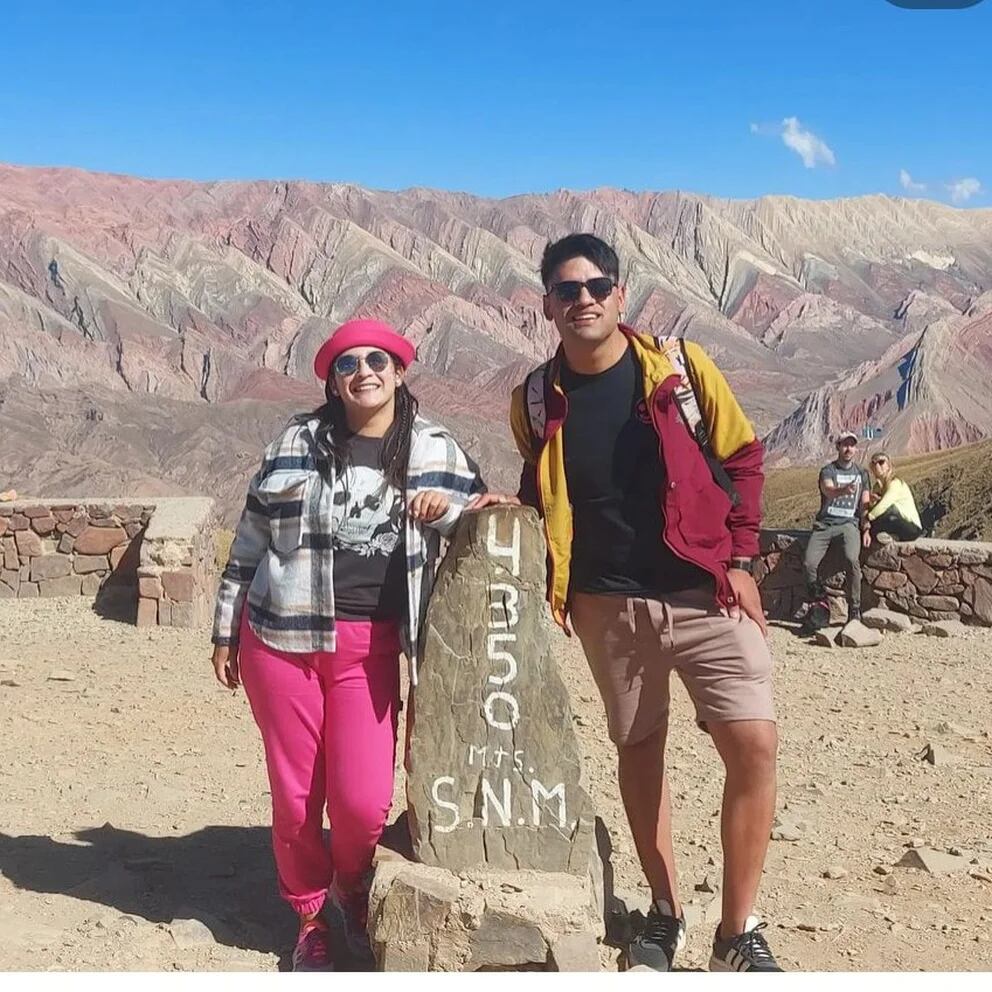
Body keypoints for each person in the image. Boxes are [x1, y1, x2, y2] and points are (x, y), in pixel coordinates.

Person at [508, 234, 781, 973]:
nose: (584, 299)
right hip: (608, 605)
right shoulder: (534, 399)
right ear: (547, 306)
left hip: (705, 593)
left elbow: (745, 457)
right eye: (568, 290)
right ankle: (664, 912)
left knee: (753, 745)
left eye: (597, 285)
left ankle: (737, 929)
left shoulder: (681, 369)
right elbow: (542, 484)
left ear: (621, 295)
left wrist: (744, 559)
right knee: (639, 750)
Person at [211, 319, 494, 971]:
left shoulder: (433, 447)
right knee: (295, 794)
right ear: (333, 382)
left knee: (364, 801)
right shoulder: (296, 441)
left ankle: (353, 888)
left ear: (399, 371)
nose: (363, 370)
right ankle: (311, 916)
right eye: (347, 364)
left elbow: (483, 520)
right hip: (280, 637)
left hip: (371, 646)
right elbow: (250, 537)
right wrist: (226, 628)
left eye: (377, 360)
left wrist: (446, 511)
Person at [803, 433, 871, 622]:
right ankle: (819, 604)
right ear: (838, 447)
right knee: (809, 563)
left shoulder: (862, 473)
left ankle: (855, 608)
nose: (848, 449)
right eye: (844, 445)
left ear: (856, 448)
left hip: (849, 524)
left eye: (852, 445)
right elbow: (828, 490)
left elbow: (864, 504)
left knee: (852, 559)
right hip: (825, 525)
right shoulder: (828, 470)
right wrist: (844, 490)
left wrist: (866, 528)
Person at [867, 452, 923, 543]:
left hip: (911, 528)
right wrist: (872, 503)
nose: (877, 465)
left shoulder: (895, 483)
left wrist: (868, 518)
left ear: (888, 465)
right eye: (874, 463)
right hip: (894, 523)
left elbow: (884, 505)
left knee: (889, 511)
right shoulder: (877, 487)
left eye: (881, 462)